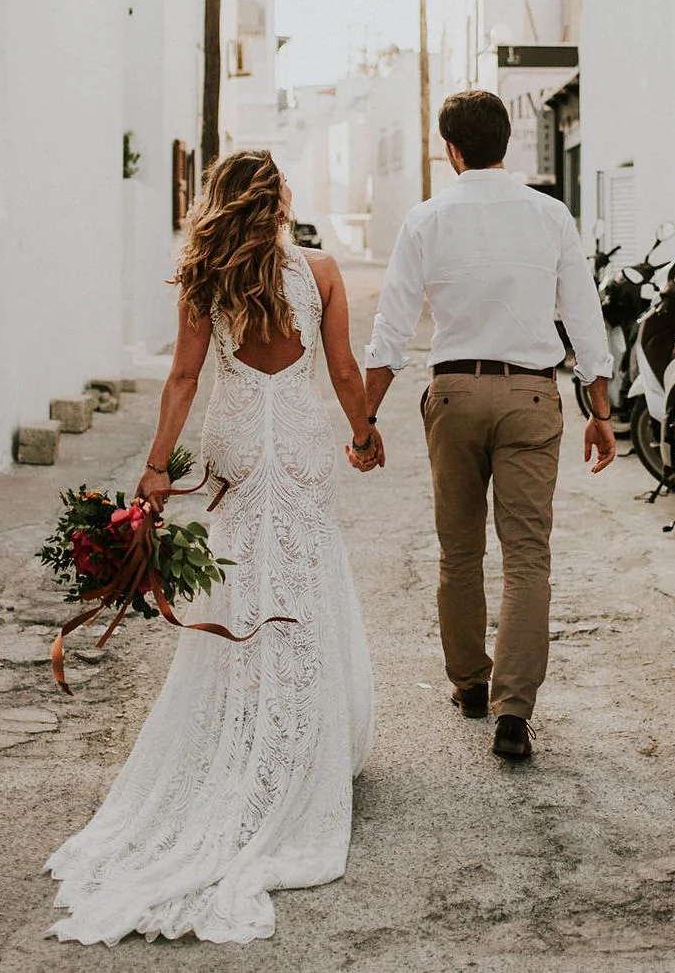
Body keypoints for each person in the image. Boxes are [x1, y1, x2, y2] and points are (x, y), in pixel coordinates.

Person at [45, 149, 381, 945]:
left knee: (238, 589)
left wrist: (157, 463)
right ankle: (298, 744)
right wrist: (364, 432)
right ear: (281, 202)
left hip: (237, 447)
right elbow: (340, 370)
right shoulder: (323, 272)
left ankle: (240, 742)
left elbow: (185, 380)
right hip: (297, 448)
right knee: (301, 583)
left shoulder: (208, 278)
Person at [362, 89, 616, 762]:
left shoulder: (426, 219)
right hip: (532, 396)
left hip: (453, 394)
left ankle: (471, 684)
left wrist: (365, 416)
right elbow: (584, 320)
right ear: (507, 142)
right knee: (527, 556)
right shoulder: (550, 215)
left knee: (460, 549)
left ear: (452, 149)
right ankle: (513, 713)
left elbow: (390, 330)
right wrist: (601, 410)